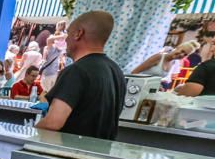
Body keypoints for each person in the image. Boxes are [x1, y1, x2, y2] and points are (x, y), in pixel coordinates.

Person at [36, 11, 125, 139]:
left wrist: (30, 136)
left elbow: (53, 123)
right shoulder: (116, 71)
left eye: (68, 33)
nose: (65, 38)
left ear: (78, 33)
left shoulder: (76, 71)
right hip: (99, 153)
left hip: (68, 153)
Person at [176, 24, 215, 97]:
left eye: (214, 44)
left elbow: (182, 99)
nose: (212, 49)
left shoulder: (208, 66)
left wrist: (181, 89)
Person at [132, 41, 199, 78]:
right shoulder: (158, 57)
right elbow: (134, 72)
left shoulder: (173, 62)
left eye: (185, 54)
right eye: (182, 51)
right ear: (178, 47)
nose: (182, 55)